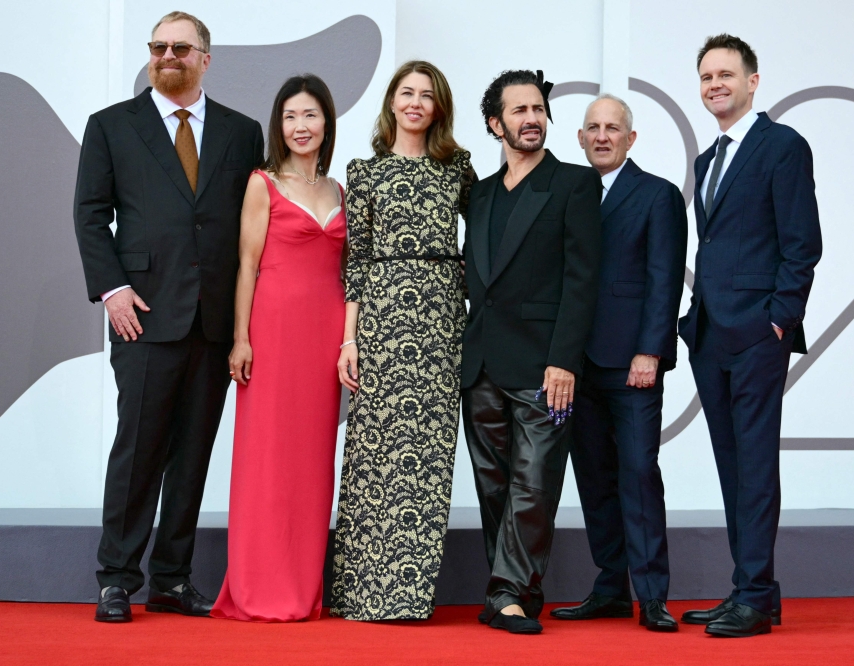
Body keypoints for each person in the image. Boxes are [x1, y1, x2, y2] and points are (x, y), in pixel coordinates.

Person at [74, 11, 263, 623]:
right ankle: (116, 578)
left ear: (206, 57)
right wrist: (112, 290)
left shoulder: (242, 132)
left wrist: (247, 322)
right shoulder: (110, 127)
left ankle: (173, 580)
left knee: (193, 453)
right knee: (138, 448)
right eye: (158, 47)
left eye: (181, 47)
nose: (167, 55)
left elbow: (248, 232)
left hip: (212, 322)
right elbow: (89, 213)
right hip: (144, 316)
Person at [677, 34, 822, 638]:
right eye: (707, 75)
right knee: (733, 468)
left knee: (755, 466)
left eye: (726, 75)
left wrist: (778, 321)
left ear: (753, 81)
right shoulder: (707, 160)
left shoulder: (783, 146)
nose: (715, 84)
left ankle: (754, 594)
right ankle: (754, 589)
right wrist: (694, 318)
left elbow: (802, 244)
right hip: (711, 335)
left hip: (758, 334)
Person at [331, 60, 475, 621]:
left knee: (429, 457)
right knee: (373, 454)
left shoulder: (457, 168)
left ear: (439, 107)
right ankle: (361, 593)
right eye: (406, 93)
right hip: (381, 320)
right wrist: (349, 341)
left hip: (441, 319)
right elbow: (356, 261)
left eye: (426, 95)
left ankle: (409, 596)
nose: (415, 102)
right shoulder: (363, 172)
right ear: (392, 101)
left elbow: (484, 240)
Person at [462, 70, 602, 635]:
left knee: (534, 480)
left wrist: (564, 358)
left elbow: (582, 279)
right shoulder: (480, 193)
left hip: (546, 363)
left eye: (539, 108)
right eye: (518, 110)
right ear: (495, 123)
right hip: (482, 365)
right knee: (494, 486)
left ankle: (506, 593)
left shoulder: (574, 184)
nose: (532, 118)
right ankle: (518, 589)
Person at [549, 95, 687, 632]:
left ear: (631, 139)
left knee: (637, 474)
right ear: (580, 139)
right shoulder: (571, 194)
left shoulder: (658, 195)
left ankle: (652, 594)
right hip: (576, 366)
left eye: (613, 128)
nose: (602, 136)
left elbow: (664, 278)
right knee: (594, 478)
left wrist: (650, 351)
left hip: (633, 365)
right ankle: (610, 588)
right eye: (593, 128)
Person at [211, 75, 345, 622]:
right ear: (279, 126)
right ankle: (257, 584)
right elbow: (245, 264)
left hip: (326, 335)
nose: (300, 126)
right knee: (266, 459)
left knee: (312, 462)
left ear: (326, 123)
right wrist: (241, 337)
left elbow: (348, 270)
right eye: (290, 117)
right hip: (272, 330)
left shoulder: (340, 190)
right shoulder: (262, 182)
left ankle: (302, 586)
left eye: (310, 115)